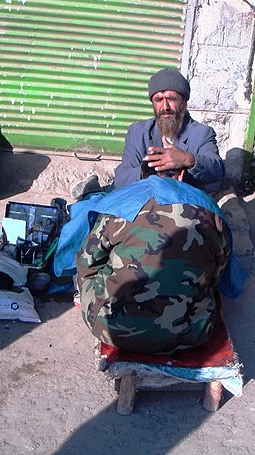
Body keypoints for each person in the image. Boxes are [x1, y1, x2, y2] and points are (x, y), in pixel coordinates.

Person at [76, 163, 245, 355]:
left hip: (110, 331)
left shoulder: (120, 202)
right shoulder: (209, 208)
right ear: (181, 175)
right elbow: (218, 275)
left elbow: (86, 264)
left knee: (89, 276)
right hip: (192, 335)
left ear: (143, 175)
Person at [113, 67, 224, 194]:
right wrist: (151, 171)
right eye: (159, 100)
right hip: (144, 200)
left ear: (184, 102)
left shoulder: (202, 133)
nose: (165, 107)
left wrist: (187, 159)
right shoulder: (138, 132)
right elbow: (121, 178)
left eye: (171, 99)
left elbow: (217, 172)